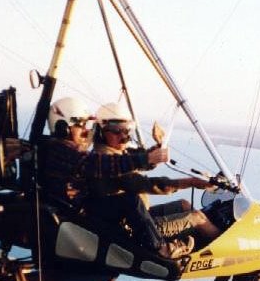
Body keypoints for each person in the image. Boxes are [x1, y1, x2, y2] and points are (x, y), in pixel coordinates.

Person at [40, 97, 193, 259]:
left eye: (87, 125)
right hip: (83, 217)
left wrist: (153, 153)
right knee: (130, 200)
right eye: (80, 125)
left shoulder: (63, 149)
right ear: (63, 127)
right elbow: (102, 165)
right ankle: (162, 250)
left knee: (143, 202)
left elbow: (126, 160)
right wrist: (149, 160)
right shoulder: (63, 152)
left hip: (84, 211)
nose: (86, 131)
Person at [91, 102, 221, 243]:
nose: (123, 136)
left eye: (127, 130)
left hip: (141, 215)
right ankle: (226, 253)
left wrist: (160, 145)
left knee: (184, 204)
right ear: (100, 131)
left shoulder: (117, 151)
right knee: (197, 218)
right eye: (116, 130)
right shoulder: (106, 159)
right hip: (134, 227)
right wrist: (192, 182)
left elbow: (143, 160)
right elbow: (148, 184)